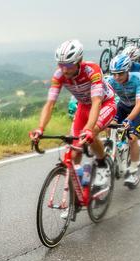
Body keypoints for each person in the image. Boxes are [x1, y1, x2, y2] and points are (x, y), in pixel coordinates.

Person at [30, 39, 117, 189]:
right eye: (61, 65)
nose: (64, 70)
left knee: (91, 133)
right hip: (83, 107)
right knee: (75, 149)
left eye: (68, 65)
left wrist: (89, 129)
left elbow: (96, 101)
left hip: (104, 104)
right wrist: (40, 128)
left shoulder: (92, 70)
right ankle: (79, 182)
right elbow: (50, 104)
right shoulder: (59, 76)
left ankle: (103, 165)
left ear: (79, 61)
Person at [105, 54, 140, 187]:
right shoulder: (111, 81)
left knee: (132, 138)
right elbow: (103, 99)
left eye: (121, 74)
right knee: (108, 125)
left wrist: (129, 120)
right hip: (123, 106)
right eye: (115, 74)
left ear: (127, 70)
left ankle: (134, 170)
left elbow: (139, 104)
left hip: (138, 107)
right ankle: (116, 148)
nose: (117, 77)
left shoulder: (138, 79)